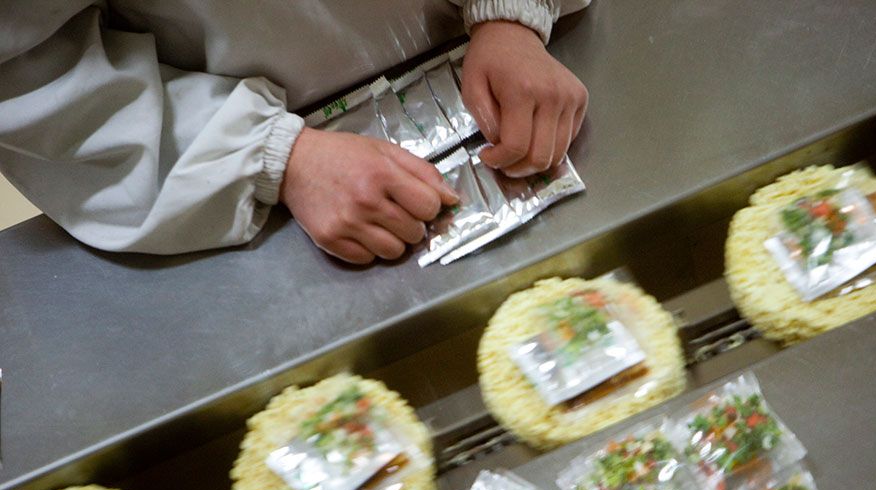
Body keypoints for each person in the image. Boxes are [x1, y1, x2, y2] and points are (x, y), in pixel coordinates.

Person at [0, 1, 590, 264]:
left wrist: (512, 15)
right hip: (258, 171)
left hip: (524, 57)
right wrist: (271, 155)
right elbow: (32, 70)